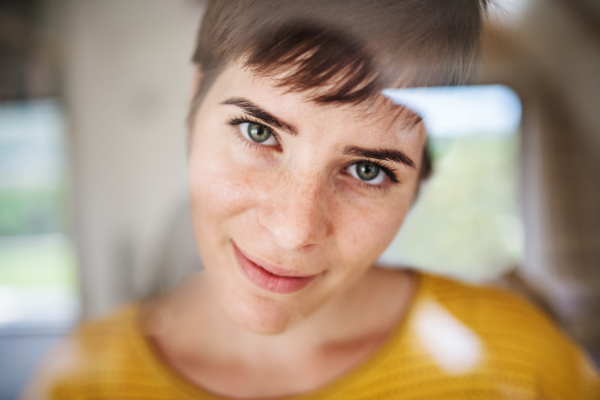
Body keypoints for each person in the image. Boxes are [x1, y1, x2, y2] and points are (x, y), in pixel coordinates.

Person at [24, 0, 600, 399]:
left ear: (419, 178)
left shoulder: (524, 368)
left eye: (368, 168)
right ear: (195, 101)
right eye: (258, 132)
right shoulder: (81, 384)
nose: (294, 230)